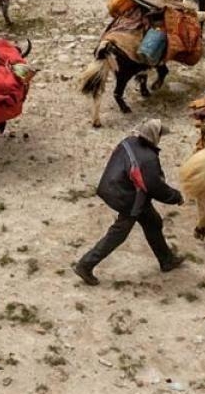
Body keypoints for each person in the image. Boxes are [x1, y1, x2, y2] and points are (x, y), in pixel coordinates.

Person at [74, 118, 183, 285]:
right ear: (154, 135)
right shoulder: (147, 159)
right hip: (128, 198)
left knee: (153, 222)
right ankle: (86, 264)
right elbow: (154, 186)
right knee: (118, 234)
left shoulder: (129, 142)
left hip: (114, 186)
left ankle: (167, 260)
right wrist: (175, 196)